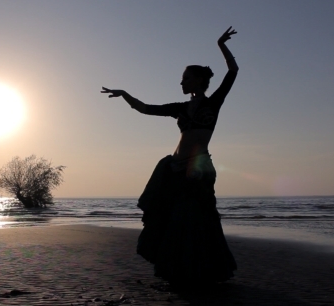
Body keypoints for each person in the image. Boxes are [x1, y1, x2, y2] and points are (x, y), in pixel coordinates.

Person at [101, 27, 239, 288]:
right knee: (174, 218)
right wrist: (124, 94)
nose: (181, 83)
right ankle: (180, 269)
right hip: (174, 168)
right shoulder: (180, 108)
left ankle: (202, 270)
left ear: (198, 80)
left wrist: (221, 44)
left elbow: (233, 72)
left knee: (198, 218)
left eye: (186, 78)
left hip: (198, 169)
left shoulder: (213, 103)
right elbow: (146, 109)